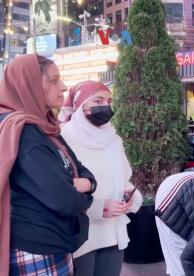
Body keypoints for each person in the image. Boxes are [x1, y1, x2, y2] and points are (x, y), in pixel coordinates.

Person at [0, 54, 96, 275]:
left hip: (52, 242)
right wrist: (87, 192)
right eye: (53, 81)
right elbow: (63, 199)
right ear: (29, 85)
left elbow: (79, 168)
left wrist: (87, 183)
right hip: (38, 246)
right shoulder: (25, 132)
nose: (63, 87)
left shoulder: (44, 127)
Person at [58, 80, 143, 276]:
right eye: (97, 100)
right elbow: (62, 186)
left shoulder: (113, 139)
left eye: (108, 100)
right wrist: (98, 207)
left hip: (113, 233)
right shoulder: (64, 138)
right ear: (81, 106)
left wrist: (130, 199)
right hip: (81, 235)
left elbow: (125, 180)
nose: (104, 106)